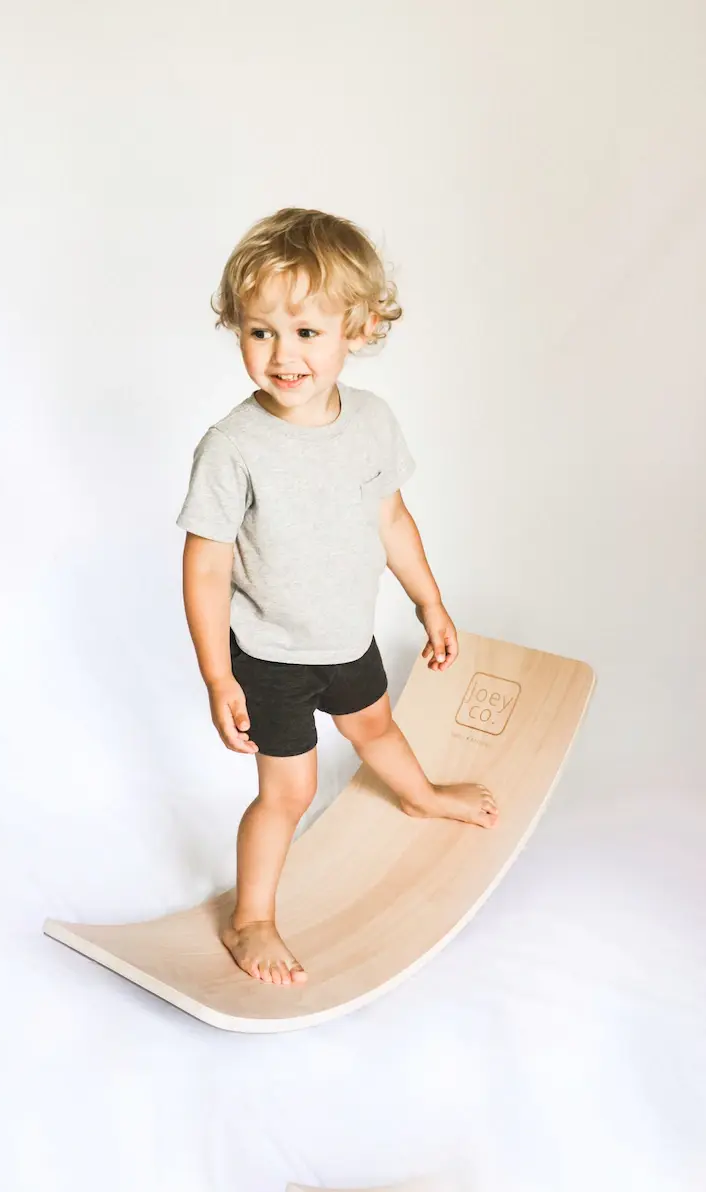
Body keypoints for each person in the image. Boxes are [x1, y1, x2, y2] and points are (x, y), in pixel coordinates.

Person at [176, 207, 498, 987]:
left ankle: (418, 796)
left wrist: (430, 601)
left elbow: (391, 518)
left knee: (376, 724)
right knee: (290, 792)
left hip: (347, 640)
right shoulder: (233, 447)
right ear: (238, 330)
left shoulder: (372, 424)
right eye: (260, 333)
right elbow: (207, 567)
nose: (282, 355)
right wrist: (220, 675)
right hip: (273, 657)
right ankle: (253, 918)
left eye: (307, 334)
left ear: (357, 328)